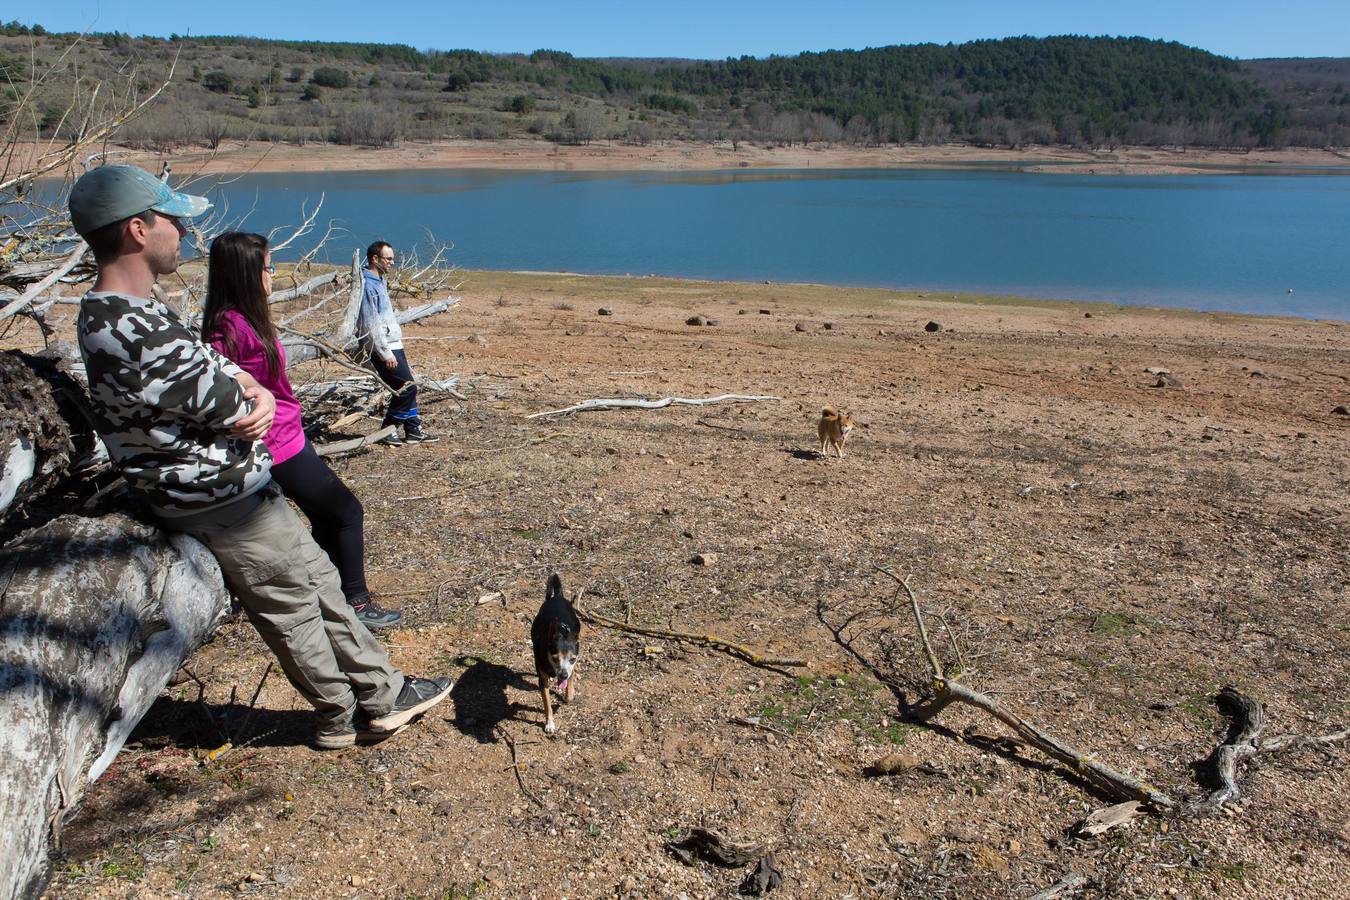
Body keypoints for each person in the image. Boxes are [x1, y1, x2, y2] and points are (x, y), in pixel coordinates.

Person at [69, 165, 450, 749]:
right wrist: (251, 394)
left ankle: (383, 690)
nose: (183, 232)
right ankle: (340, 716)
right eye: (172, 219)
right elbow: (225, 397)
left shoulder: (142, 314)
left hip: (242, 488)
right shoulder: (124, 327)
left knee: (319, 579)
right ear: (138, 232)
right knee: (292, 607)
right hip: (219, 501)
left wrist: (258, 392)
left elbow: (224, 376)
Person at [200, 231, 402, 630]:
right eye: (267, 266)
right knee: (346, 512)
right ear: (245, 273)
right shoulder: (230, 328)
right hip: (276, 444)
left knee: (327, 517)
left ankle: (332, 593)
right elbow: (226, 390)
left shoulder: (243, 319)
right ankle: (357, 603)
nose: (273, 274)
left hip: (289, 435)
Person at [359, 240, 438, 445]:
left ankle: (413, 429)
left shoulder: (380, 281)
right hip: (382, 348)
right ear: (375, 259)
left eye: (393, 258)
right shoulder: (369, 285)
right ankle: (387, 429)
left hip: (394, 344)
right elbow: (370, 323)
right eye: (388, 258)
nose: (392, 262)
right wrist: (385, 353)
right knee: (407, 388)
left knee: (408, 385)